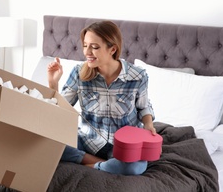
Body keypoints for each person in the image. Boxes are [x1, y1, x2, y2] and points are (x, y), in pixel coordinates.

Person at [47, 20, 157, 175]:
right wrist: (53, 84)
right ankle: (103, 164)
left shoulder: (137, 76)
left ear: (112, 49)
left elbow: (144, 106)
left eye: (94, 47)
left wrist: (148, 125)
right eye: (85, 45)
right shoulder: (79, 72)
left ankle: (93, 165)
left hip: (123, 145)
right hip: (87, 141)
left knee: (132, 167)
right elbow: (61, 109)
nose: (87, 52)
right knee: (45, 143)